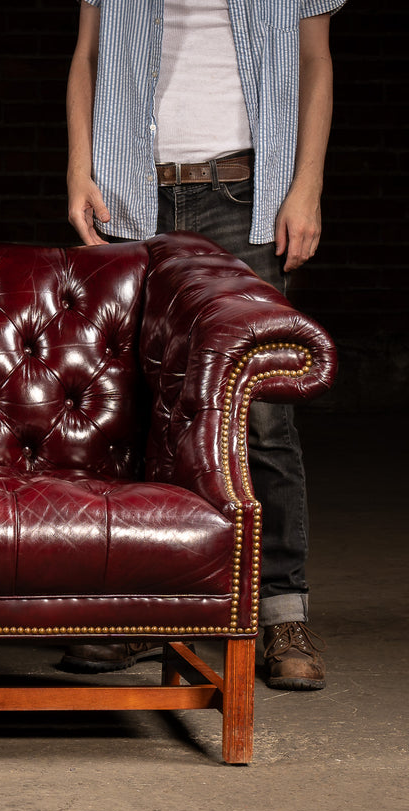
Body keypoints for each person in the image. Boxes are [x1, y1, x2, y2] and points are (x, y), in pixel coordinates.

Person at [61, 0, 347, 689]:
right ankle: (147, 610)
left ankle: (280, 611)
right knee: (140, 408)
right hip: (132, 195)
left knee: (261, 414)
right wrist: (78, 166)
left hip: (245, 194)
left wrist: (305, 187)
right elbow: (88, 55)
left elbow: (315, 59)